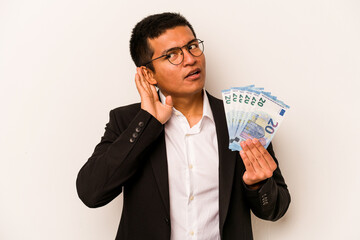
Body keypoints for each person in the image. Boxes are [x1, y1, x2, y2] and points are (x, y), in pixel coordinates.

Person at [76, 12, 290, 240]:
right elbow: (92, 193)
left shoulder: (243, 120)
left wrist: (257, 186)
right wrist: (147, 122)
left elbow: (276, 209)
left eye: (192, 47)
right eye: (172, 55)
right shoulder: (127, 122)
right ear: (149, 74)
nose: (190, 59)